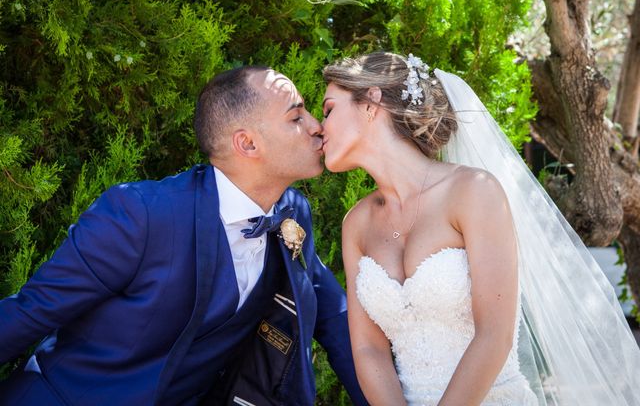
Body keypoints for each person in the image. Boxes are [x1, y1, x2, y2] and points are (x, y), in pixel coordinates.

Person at [0, 66, 367, 406]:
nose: (317, 126)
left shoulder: (292, 215)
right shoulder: (142, 214)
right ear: (248, 144)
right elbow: (30, 311)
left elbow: (333, 318)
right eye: (296, 116)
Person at [320, 51, 640, 405]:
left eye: (329, 109)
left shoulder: (473, 191)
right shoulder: (357, 224)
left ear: (371, 103)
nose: (320, 128)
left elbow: (494, 335)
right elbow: (368, 349)